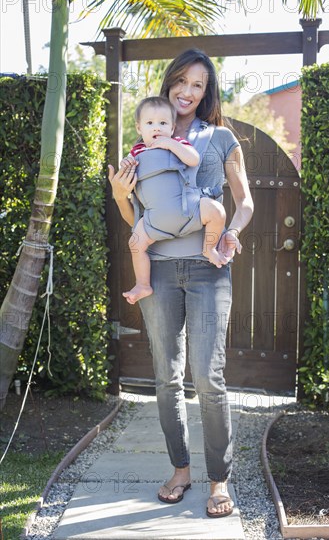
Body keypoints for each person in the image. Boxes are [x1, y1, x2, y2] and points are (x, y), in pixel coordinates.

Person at [108, 48, 254, 518]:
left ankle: (218, 479)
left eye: (198, 84)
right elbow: (139, 216)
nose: (188, 92)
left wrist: (230, 231)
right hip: (161, 271)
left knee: (208, 378)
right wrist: (118, 195)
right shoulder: (147, 140)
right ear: (169, 83)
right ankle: (179, 470)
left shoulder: (220, 138)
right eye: (182, 82)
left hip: (209, 269)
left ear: (206, 91)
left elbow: (244, 200)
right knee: (167, 378)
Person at [122, 95, 229, 305]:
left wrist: (171, 144)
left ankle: (209, 248)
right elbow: (128, 182)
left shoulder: (178, 143)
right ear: (139, 128)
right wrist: (125, 166)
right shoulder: (135, 152)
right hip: (154, 220)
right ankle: (143, 284)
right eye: (150, 123)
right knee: (135, 244)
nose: (157, 128)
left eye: (163, 123)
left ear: (172, 128)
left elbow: (194, 159)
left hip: (187, 208)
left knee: (217, 211)